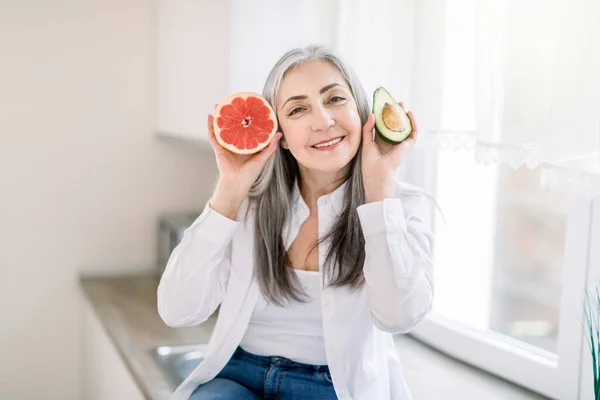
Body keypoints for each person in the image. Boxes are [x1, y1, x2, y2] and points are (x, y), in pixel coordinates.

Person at [157, 44, 435, 400]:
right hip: (237, 375)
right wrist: (229, 188)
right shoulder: (250, 206)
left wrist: (379, 188)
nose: (323, 120)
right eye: (298, 109)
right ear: (281, 136)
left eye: (335, 99)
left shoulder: (404, 207)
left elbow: (399, 316)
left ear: (361, 110)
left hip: (332, 386)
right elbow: (178, 311)